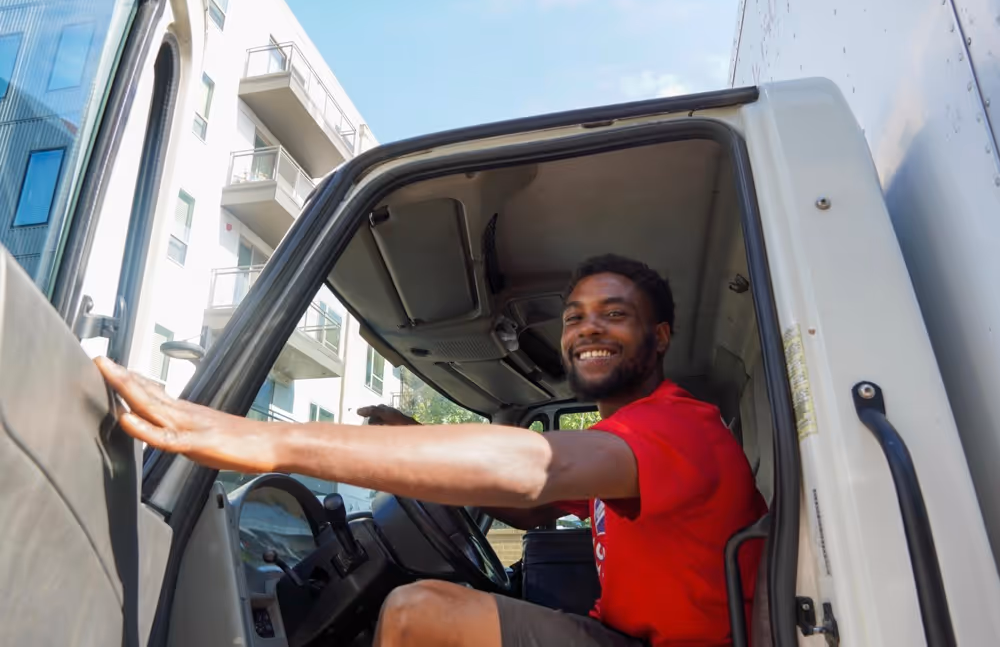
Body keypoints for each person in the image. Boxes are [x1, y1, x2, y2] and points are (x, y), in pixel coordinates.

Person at [97, 254, 767, 647]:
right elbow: (535, 509)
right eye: (575, 316)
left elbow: (539, 469)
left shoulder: (678, 428)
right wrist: (415, 441)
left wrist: (267, 440)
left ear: (660, 337)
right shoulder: (619, 442)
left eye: (615, 313)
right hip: (615, 632)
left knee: (418, 613)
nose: (588, 327)